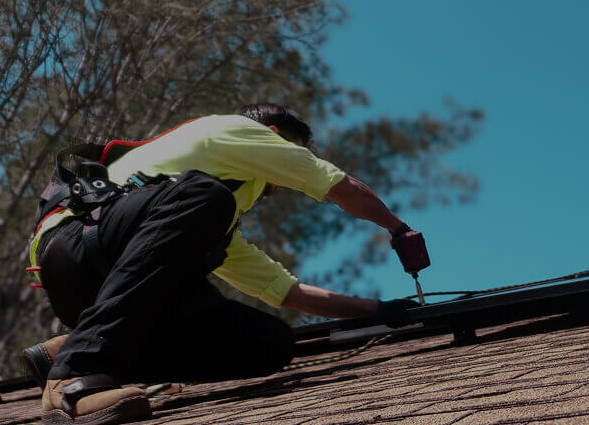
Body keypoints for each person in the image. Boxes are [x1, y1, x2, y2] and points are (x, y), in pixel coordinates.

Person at [24, 103, 422, 425]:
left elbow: (286, 292)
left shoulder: (207, 218)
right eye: (296, 150)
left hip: (98, 284)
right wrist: (398, 228)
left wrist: (378, 312)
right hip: (73, 247)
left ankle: (74, 349)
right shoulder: (228, 137)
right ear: (274, 137)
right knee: (207, 195)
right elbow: (334, 184)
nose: (283, 179)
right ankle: (72, 380)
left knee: (269, 344)